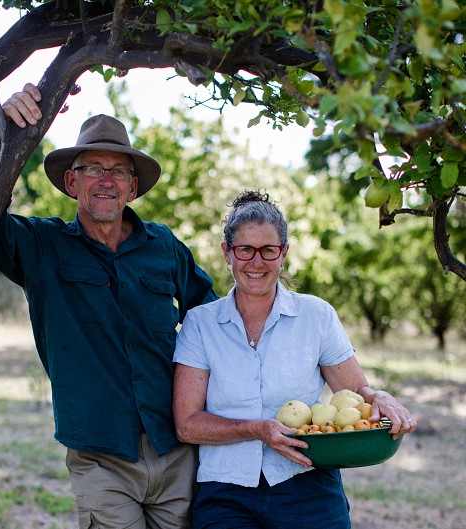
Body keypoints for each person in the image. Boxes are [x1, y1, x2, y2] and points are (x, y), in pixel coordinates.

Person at [0, 83, 218, 529]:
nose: (106, 180)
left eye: (118, 171)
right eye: (92, 167)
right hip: (101, 458)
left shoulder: (165, 247)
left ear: (133, 188)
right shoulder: (42, 246)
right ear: (71, 181)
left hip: (176, 451)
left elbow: (214, 322)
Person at [172, 189, 417, 529]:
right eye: (245, 250)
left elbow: (356, 391)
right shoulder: (200, 324)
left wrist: (381, 397)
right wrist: (256, 429)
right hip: (225, 491)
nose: (256, 262)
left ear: (283, 253)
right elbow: (187, 424)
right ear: (227, 253)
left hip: (307, 483)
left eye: (268, 250)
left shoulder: (315, 315)